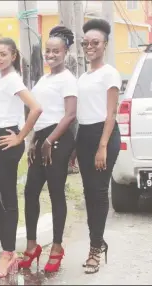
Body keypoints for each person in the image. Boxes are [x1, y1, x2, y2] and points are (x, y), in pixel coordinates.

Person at [20, 26, 78, 273]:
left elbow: (70, 115)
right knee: (30, 191)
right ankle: (32, 245)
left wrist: (49, 140)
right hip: (41, 138)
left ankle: (56, 247)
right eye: (48, 51)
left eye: (56, 51)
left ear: (65, 52)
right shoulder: (43, 79)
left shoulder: (68, 79)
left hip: (59, 138)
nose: (51, 55)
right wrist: (34, 139)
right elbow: (38, 112)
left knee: (56, 193)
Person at [0, 37, 42, 278]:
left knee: (7, 196)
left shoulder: (12, 80)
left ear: (13, 56)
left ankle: (8, 253)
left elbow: (36, 108)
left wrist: (20, 137)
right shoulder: (0, 80)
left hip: (7, 139)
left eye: (3, 54)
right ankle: (7, 250)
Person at [76, 19, 121, 274]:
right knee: (88, 192)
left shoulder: (110, 73)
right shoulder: (83, 76)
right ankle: (97, 242)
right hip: (84, 135)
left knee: (99, 191)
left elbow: (111, 113)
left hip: (103, 135)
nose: (90, 47)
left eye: (95, 43)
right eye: (86, 43)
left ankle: (95, 248)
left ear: (105, 44)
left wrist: (102, 146)